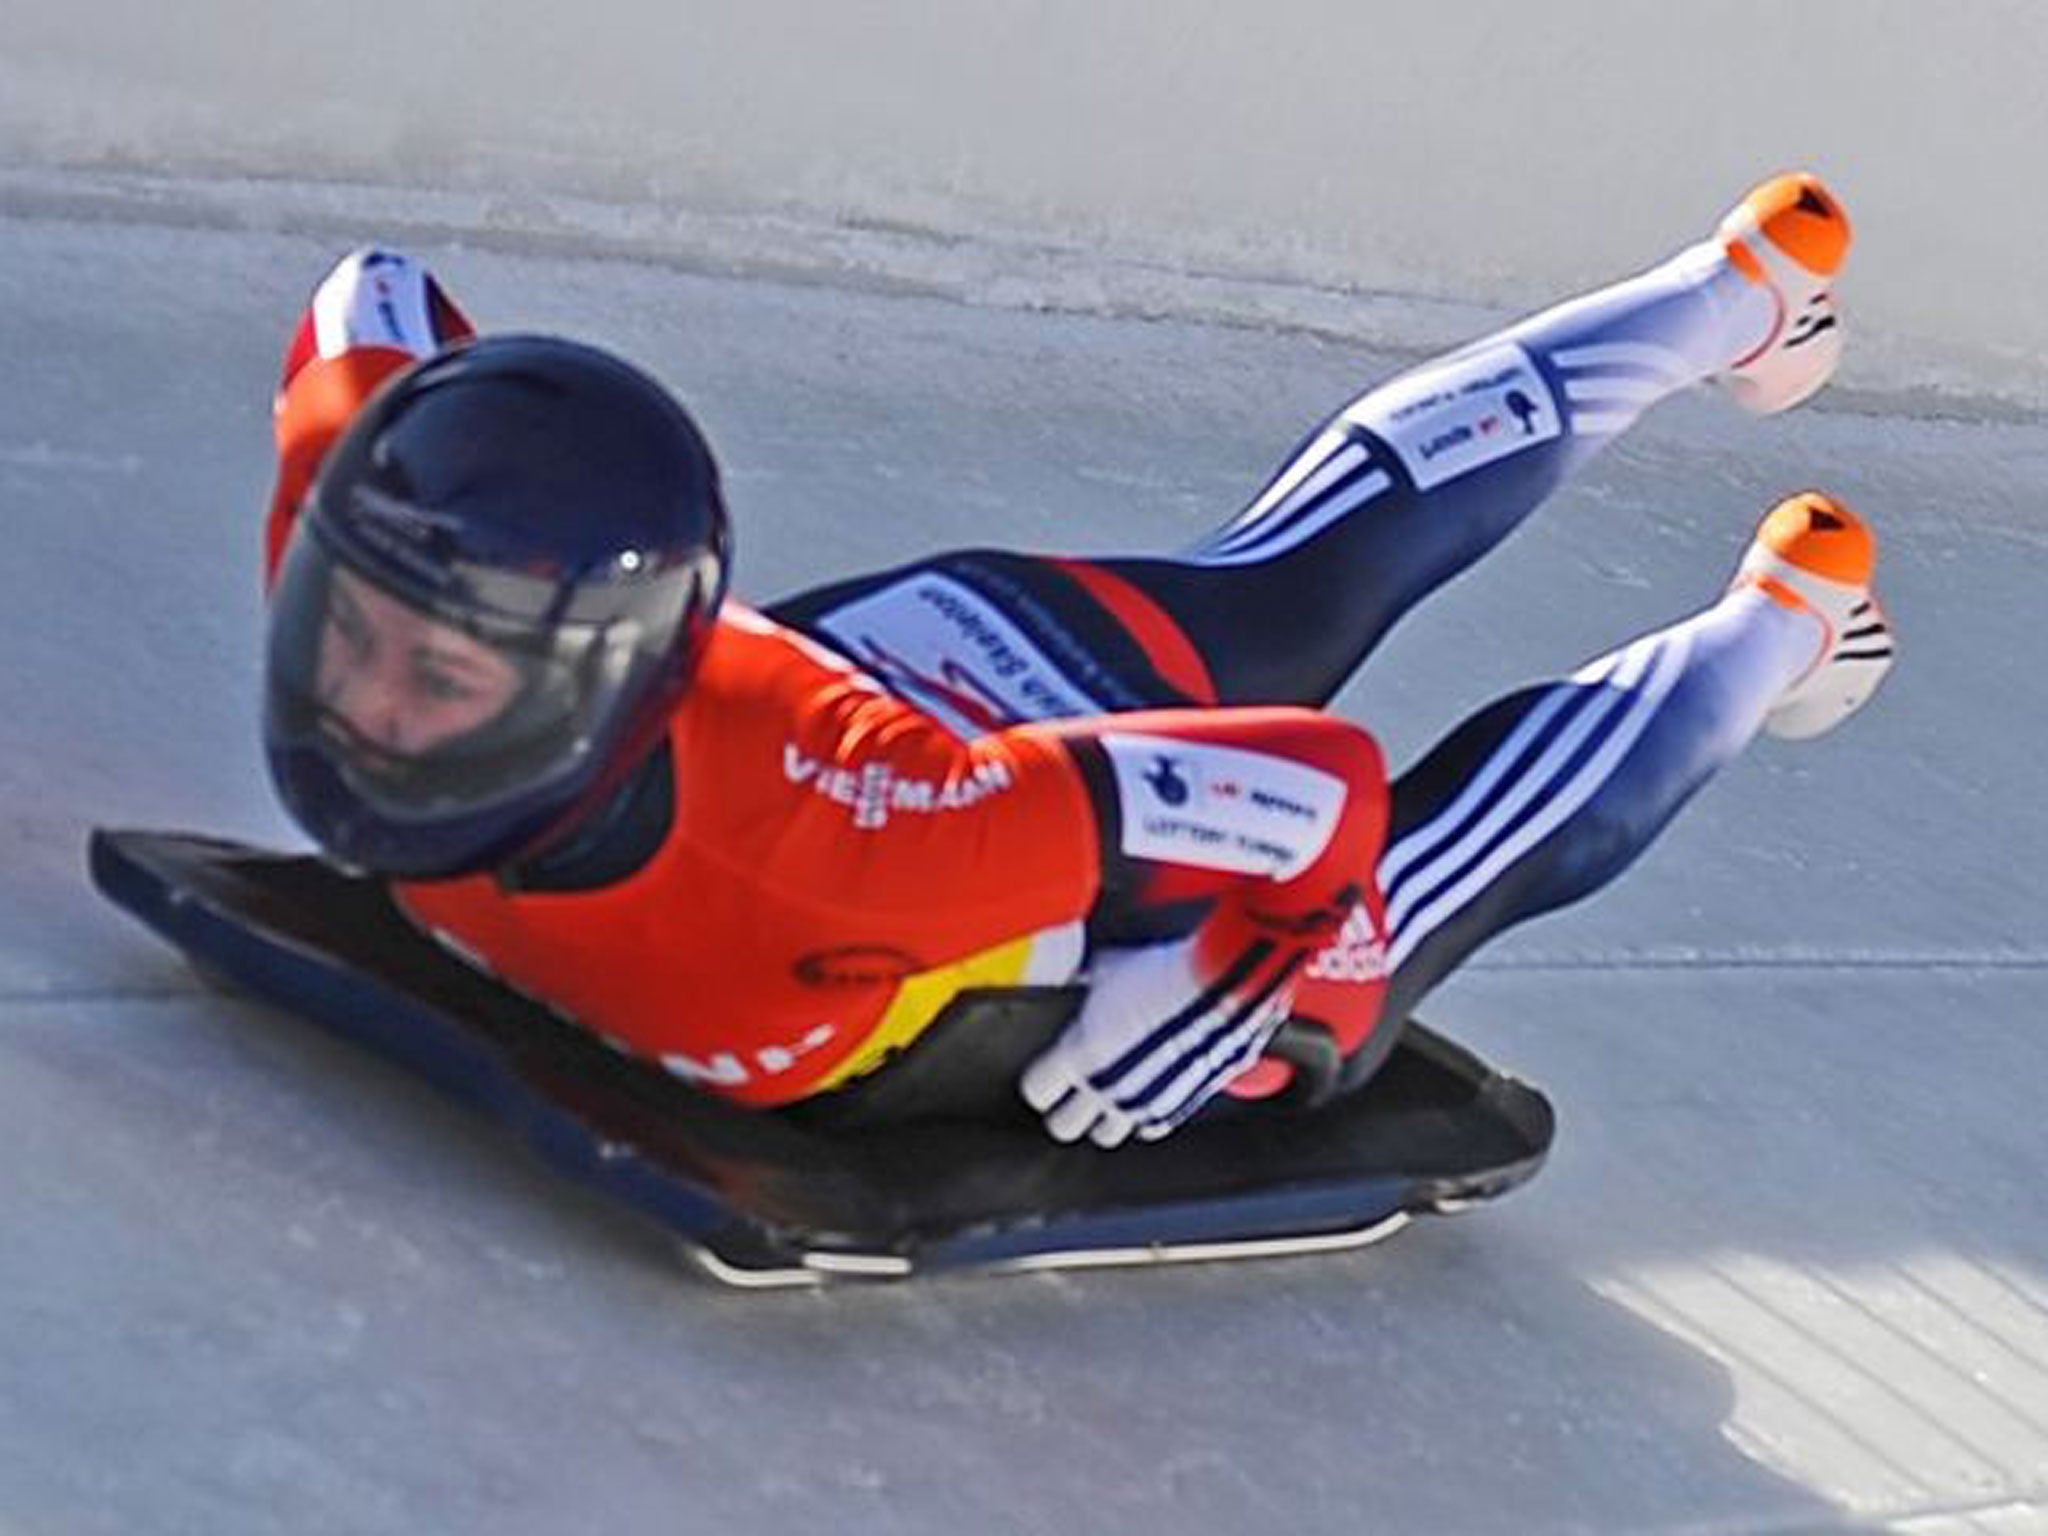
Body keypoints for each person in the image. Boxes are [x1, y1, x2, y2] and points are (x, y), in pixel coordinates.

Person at [261, 174, 1895, 1149]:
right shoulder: (390, 541)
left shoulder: (859, 850)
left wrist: (1229, 957)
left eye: (442, 684)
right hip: (943, 668)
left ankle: (1789, 623)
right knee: (1290, 566)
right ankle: (1733, 291)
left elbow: (1321, 787)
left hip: (1023, 822)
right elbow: (373, 303)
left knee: (1348, 971)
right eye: (349, 643)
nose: (370, 713)